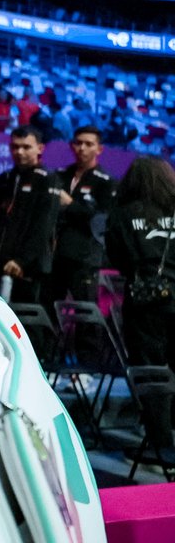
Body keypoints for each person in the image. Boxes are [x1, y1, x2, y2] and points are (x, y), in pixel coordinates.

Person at [105, 157, 175, 459]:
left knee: (150, 369)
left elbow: (115, 256)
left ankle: (161, 444)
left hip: (145, 300)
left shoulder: (121, 214)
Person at [0, 126, 61, 303]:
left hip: (27, 266)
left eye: (26, 147)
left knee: (21, 323)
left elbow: (44, 226)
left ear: (40, 148)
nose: (19, 152)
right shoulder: (6, 177)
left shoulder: (48, 179)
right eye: (14, 147)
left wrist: (22, 261)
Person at [48, 125, 116, 308]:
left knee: (85, 314)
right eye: (78, 143)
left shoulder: (106, 182)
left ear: (99, 149)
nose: (82, 148)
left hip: (84, 259)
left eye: (88, 144)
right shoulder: (59, 176)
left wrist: (70, 205)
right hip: (55, 257)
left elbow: (101, 221)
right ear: (71, 146)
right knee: (49, 309)